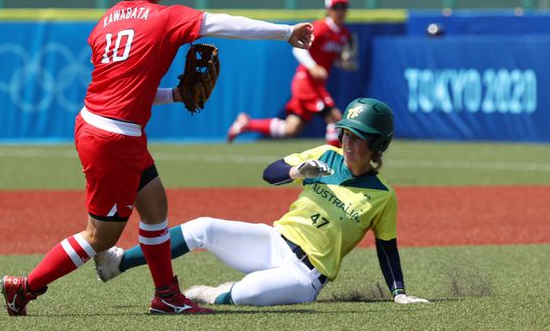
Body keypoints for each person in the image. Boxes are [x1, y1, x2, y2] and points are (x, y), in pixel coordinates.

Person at [0, 0, 314, 316]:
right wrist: (287, 32)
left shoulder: (105, 24)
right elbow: (225, 24)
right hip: (113, 139)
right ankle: (25, 288)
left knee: (155, 205)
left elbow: (127, 93)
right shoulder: (165, 18)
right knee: (101, 235)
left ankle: (166, 294)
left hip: (104, 126)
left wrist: (176, 94)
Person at [94, 98, 430, 307]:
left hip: (305, 275)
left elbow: (387, 248)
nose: (347, 141)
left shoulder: (383, 196)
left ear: (377, 146)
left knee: (246, 294)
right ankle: (117, 263)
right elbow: (270, 173)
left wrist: (399, 292)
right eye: (346, 133)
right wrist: (298, 171)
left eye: (357, 137)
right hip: (273, 241)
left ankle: (219, 293)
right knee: (204, 227)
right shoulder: (325, 155)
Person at [227, 0, 355, 146]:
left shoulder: (344, 34)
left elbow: (334, 57)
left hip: (316, 85)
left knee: (291, 129)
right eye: (336, 7)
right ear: (328, 9)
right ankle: (334, 162)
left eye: (343, 7)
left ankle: (247, 124)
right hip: (306, 82)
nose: (340, 11)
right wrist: (313, 67)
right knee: (334, 118)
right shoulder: (321, 28)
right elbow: (298, 49)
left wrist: (343, 62)